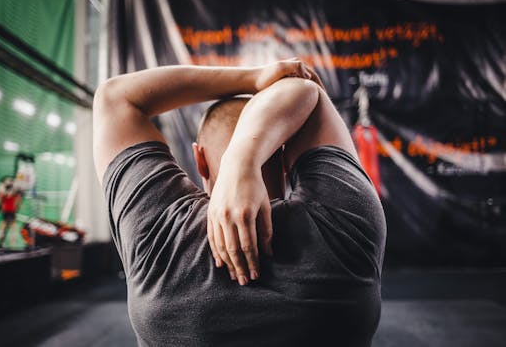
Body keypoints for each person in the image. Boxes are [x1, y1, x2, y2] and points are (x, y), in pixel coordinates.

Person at [93, 59, 386, 346]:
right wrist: (244, 159)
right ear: (284, 158)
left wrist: (254, 77)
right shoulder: (343, 222)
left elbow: (115, 98)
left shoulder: (159, 230)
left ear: (200, 159)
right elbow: (305, 90)